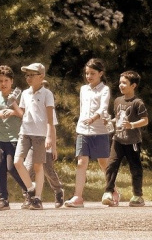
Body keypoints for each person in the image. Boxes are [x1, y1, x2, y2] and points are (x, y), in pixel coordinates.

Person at [65, 58, 110, 208]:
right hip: (83, 131)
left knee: (103, 163)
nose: (89, 76)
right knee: (81, 162)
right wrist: (85, 121)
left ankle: (112, 190)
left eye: (92, 73)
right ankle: (78, 197)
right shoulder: (84, 89)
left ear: (100, 73)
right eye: (87, 73)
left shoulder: (105, 90)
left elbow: (103, 108)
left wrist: (94, 118)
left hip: (99, 131)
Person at [0, 65, 28, 211]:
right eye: (0, 81)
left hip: (16, 138)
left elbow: (24, 114)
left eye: (6, 80)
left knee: (13, 167)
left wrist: (12, 111)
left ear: (12, 81)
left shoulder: (19, 95)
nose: (3, 84)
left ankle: (29, 191)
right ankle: (3, 200)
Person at [12, 62, 56, 210]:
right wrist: (13, 104)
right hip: (25, 132)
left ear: (41, 76)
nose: (28, 78)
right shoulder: (25, 93)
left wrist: (50, 137)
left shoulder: (47, 94)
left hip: (40, 134)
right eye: (27, 75)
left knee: (38, 166)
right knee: (17, 162)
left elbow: (50, 119)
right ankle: (31, 189)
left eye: (32, 75)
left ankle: (37, 198)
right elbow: (21, 114)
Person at [103, 70, 148, 207]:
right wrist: (110, 121)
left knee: (135, 168)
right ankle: (108, 192)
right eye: (120, 82)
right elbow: (118, 117)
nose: (121, 85)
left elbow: (145, 120)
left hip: (132, 141)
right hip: (118, 139)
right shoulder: (118, 101)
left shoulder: (137, 103)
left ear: (133, 85)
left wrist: (132, 125)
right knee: (111, 165)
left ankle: (137, 195)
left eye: (124, 83)